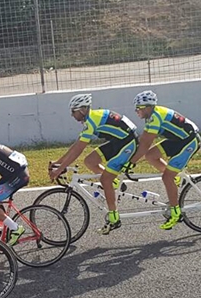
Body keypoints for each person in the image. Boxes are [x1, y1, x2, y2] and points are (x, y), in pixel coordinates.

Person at [49, 94, 138, 234]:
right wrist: (58, 163)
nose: (72, 115)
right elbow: (76, 145)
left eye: (73, 111)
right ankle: (114, 184)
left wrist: (59, 169)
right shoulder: (90, 119)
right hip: (118, 142)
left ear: (83, 110)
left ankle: (114, 218)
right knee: (89, 161)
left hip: (128, 144)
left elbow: (79, 149)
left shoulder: (92, 121)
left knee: (105, 179)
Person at [129, 90, 200, 230]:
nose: (137, 111)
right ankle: (177, 180)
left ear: (148, 107)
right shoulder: (151, 116)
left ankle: (176, 212)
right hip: (177, 140)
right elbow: (143, 141)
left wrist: (130, 163)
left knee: (167, 177)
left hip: (189, 141)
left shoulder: (156, 116)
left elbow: (145, 144)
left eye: (139, 108)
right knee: (150, 156)